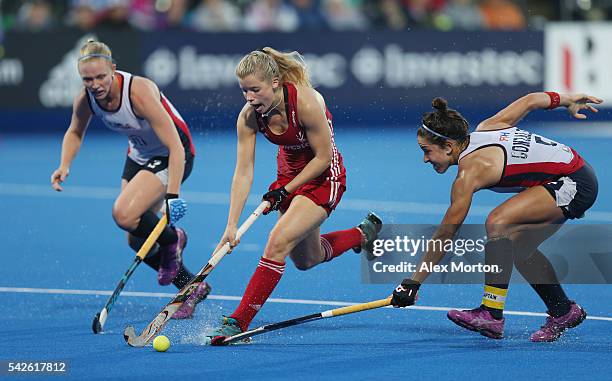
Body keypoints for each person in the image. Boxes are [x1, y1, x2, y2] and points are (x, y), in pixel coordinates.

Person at [390, 92, 602, 342]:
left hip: (573, 182)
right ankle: (563, 311)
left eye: (427, 151)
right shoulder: (488, 127)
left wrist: (413, 282)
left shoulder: (469, 175)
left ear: (448, 146)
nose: (425, 159)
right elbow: (531, 101)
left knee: (498, 222)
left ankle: (491, 313)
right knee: (520, 247)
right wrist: (565, 100)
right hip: (570, 174)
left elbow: (447, 233)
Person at [207, 47, 382, 342]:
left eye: (255, 89)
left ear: (274, 83)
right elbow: (243, 171)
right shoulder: (249, 116)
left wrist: (284, 191)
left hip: (324, 175)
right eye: (244, 91)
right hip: (288, 175)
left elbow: (323, 158)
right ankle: (362, 234)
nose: (249, 98)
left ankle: (239, 321)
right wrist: (231, 225)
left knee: (277, 241)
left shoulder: (306, 102)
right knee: (307, 259)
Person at [50, 39, 210, 319]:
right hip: (139, 156)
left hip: (175, 153)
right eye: (88, 79)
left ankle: (175, 238)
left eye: (101, 76)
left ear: (113, 68)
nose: (96, 84)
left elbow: (175, 145)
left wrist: (172, 198)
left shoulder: (139, 92)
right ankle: (191, 288)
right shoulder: (86, 99)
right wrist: (65, 164)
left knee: (124, 213)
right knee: (136, 239)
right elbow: (75, 132)